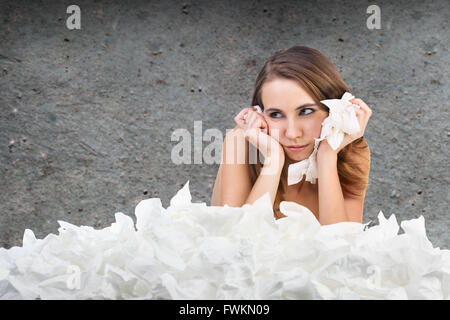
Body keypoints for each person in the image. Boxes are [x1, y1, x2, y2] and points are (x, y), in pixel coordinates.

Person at [211, 46, 372, 225]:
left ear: (332, 110)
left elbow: (341, 245)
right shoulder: (240, 142)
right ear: (259, 113)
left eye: (305, 111)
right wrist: (274, 159)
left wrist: (327, 156)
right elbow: (235, 244)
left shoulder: (349, 151)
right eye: (275, 114)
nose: (292, 133)